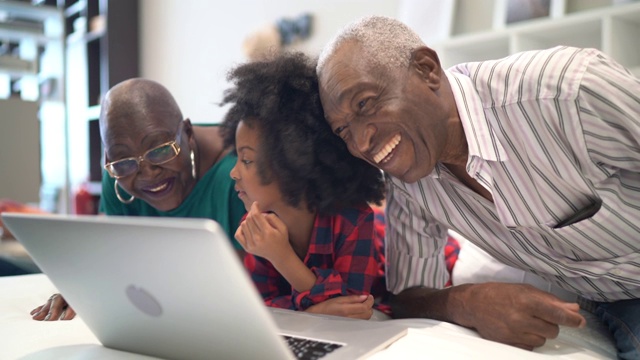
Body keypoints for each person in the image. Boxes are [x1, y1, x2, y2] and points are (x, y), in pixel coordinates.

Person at [315, 15, 640, 358]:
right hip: (610, 300)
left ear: (427, 70)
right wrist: (468, 301)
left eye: (365, 103)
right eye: (343, 131)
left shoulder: (568, 92)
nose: (361, 142)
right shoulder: (408, 182)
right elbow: (408, 293)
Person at [30, 78, 247, 321]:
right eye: (123, 160)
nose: (148, 172)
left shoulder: (240, 173)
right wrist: (82, 285)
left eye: (161, 149)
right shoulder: (118, 172)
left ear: (188, 133)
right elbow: (106, 254)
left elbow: (245, 290)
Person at [220, 51, 391, 319]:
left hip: (388, 250)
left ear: (292, 165)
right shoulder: (258, 224)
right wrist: (317, 309)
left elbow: (353, 310)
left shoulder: (354, 221)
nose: (233, 173)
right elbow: (261, 308)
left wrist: (282, 257)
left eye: (247, 160)